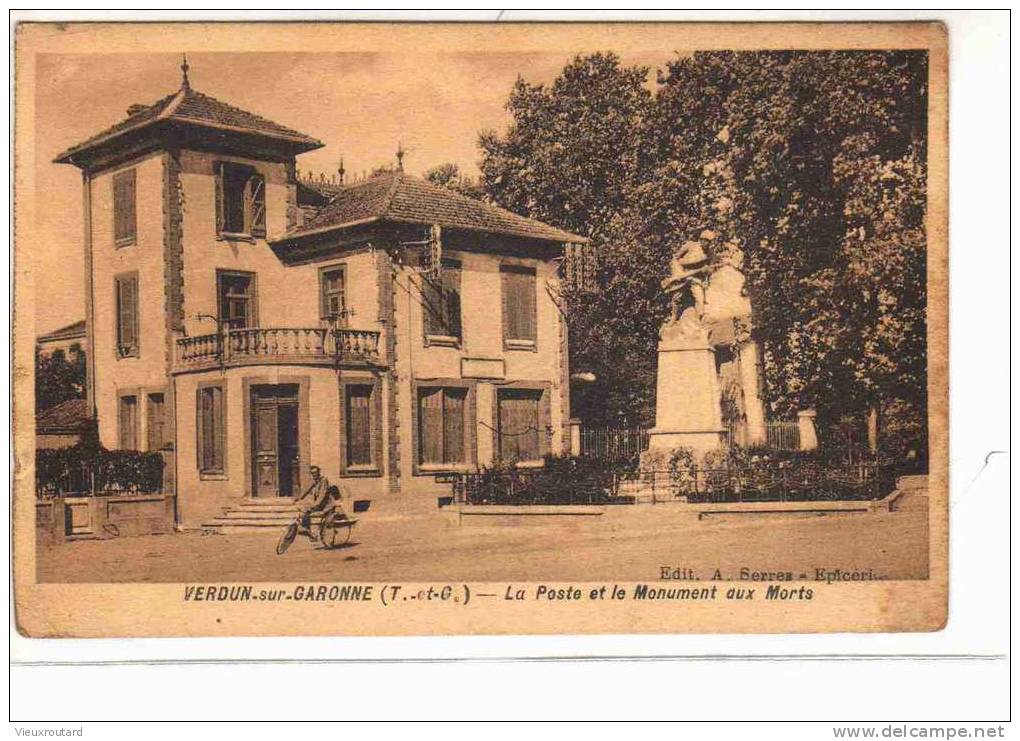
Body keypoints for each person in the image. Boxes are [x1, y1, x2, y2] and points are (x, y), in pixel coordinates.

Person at [296, 465, 343, 535]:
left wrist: (314, 504)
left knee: (308, 509)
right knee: (304, 510)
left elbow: (322, 495)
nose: (313, 475)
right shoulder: (315, 481)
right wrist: (299, 498)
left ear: (319, 473)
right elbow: (307, 490)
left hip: (327, 505)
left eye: (315, 473)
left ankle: (306, 529)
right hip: (320, 504)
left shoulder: (324, 481)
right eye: (312, 473)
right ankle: (308, 531)